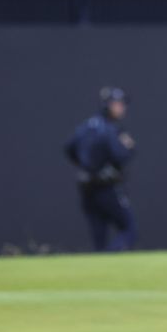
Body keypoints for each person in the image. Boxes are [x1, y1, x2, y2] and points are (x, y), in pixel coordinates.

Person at [65, 86, 137, 251]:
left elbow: (69, 148)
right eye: (118, 104)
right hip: (106, 187)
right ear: (108, 105)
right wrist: (129, 147)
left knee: (99, 239)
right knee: (130, 229)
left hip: (87, 187)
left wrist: (85, 166)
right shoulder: (109, 129)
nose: (122, 107)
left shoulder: (87, 126)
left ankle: (101, 265)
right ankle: (110, 260)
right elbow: (120, 156)